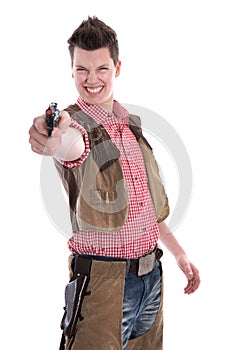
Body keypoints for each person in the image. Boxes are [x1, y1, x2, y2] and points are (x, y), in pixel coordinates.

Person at [29, 16, 200, 350]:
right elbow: (69, 147)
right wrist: (52, 135)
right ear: (72, 70)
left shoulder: (132, 129)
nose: (91, 80)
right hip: (104, 287)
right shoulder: (75, 126)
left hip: (151, 281)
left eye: (101, 69)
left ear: (117, 67)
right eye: (82, 70)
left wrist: (179, 254)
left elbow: (149, 211)